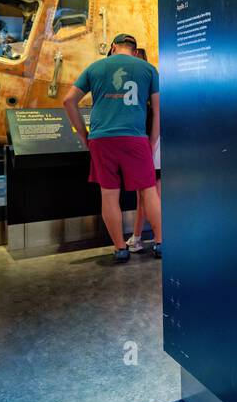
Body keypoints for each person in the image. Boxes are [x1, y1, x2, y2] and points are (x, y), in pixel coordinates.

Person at [62, 33, 162, 263]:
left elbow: (68, 101)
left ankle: (120, 248)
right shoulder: (148, 70)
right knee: (148, 191)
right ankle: (159, 243)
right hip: (135, 137)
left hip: (101, 139)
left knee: (108, 194)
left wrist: (83, 135)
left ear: (113, 47)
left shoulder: (95, 67)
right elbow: (157, 109)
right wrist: (152, 140)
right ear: (135, 51)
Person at [126, 48, 161, 252]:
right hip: (154, 149)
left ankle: (153, 239)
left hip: (149, 150)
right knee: (149, 197)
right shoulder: (151, 86)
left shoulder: (140, 97)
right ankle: (145, 238)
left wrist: (151, 144)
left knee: (146, 198)